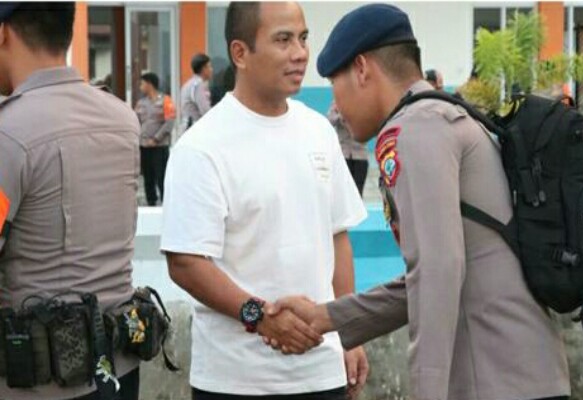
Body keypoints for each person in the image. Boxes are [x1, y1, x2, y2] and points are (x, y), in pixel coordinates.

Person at [266, 4, 571, 400]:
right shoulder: (448, 116)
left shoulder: (415, 128)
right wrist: (325, 317)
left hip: (492, 381)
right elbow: (435, 273)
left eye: (335, 86)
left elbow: (438, 270)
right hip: (524, 375)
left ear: (362, 69)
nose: (336, 106)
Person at [160, 2, 369, 400]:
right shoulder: (202, 146)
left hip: (321, 372)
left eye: (303, 38)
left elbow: (337, 237)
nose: (300, 53)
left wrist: (348, 333)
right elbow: (186, 262)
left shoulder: (318, 131)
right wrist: (259, 317)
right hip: (236, 379)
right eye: (283, 40)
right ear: (240, 53)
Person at [0, 3, 141, 399]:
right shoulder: (122, 118)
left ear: (3, 33)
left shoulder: (9, 134)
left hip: (40, 383)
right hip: (119, 369)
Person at [135, 72, 175, 206]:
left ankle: (166, 204)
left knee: (162, 177)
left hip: (159, 147)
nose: (140, 87)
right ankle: (151, 203)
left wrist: (156, 139)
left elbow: (169, 122)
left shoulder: (166, 100)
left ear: (149, 84)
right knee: (148, 178)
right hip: (144, 147)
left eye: (142, 84)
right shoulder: (140, 103)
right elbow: (136, 121)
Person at [327, 102, 369, 196]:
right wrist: (341, 116)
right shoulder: (338, 103)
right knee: (342, 190)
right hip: (343, 155)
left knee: (358, 192)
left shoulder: (364, 103)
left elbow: (370, 121)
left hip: (360, 155)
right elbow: (329, 119)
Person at [180, 53, 213, 132]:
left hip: (188, 127)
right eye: (210, 66)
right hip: (196, 129)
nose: (212, 69)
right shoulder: (198, 85)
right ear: (204, 69)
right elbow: (205, 111)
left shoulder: (189, 84)